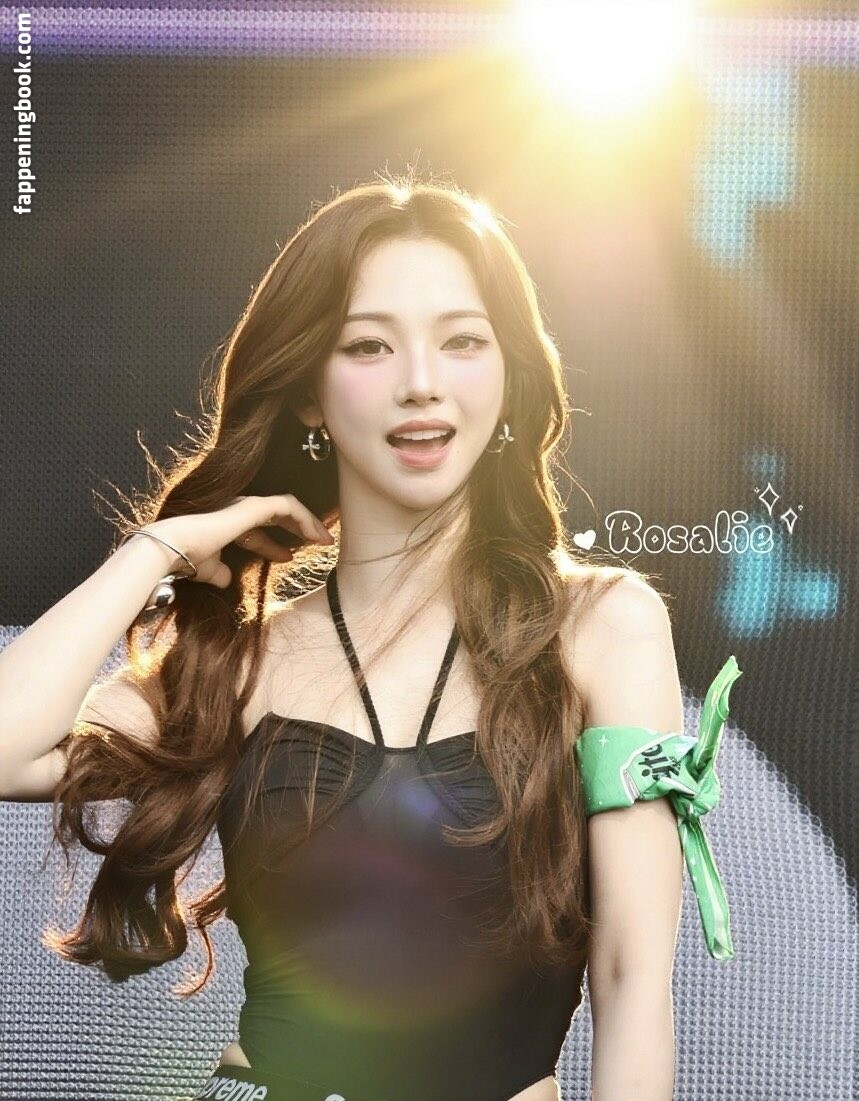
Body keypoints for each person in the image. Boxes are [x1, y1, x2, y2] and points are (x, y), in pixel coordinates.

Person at [0, 173, 740, 1101]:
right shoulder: (243, 662)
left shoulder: (602, 625)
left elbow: (631, 980)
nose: (420, 383)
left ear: (508, 374)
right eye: (368, 345)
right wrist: (156, 549)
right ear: (310, 393)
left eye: (462, 340)